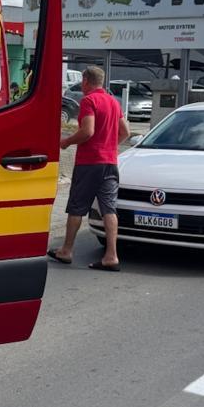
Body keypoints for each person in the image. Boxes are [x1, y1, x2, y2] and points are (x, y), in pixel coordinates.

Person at [48, 65, 130, 271]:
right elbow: (125, 132)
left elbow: (87, 131)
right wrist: (109, 146)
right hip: (110, 163)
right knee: (109, 208)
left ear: (85, 81)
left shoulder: (89, 100)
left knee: (77, 206)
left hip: (89, 163)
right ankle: (111, 256)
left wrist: (66, 142)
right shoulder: (113, 102)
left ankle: (66, 250)